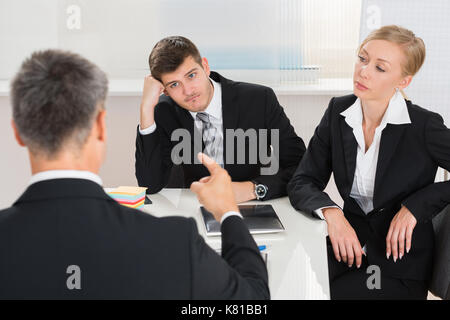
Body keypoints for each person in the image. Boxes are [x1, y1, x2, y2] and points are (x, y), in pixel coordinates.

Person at [0, 49, 269, 300]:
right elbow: (252, 300)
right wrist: (228, 213)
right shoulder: (173, 242)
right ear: (101, 127)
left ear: (18, 133)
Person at [288, 25, 450, 299]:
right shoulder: (338, 112)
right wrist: (332, 213)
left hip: (398, 262)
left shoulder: (423, 126)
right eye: (363, 59)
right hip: (346, 248)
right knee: (287, 286)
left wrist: (416, 206)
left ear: (403, 81)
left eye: (380, 68)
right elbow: (303, 180)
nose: (363, 71)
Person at [135, 36, 306, 202]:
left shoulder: (260, 100)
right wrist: (146, 109)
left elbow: (300, 168)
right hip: (196, 208)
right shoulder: (164, 111)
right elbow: (149, 184)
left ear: (205, 67)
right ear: (164, 90)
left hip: (253, 204)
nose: (188, 91)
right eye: (174, 84)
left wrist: (253, 189)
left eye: (191, 75)